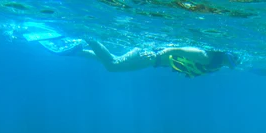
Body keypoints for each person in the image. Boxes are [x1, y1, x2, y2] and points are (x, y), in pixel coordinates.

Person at [82, 39, 239, 77]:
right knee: (113, 65)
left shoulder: (215, 63)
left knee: (113, 60)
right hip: (149, 54)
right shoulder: (205, 57)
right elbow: (177, 49)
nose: (227, 64)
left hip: (152, 59)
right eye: (229, 60)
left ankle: (78, 50)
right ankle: (88, 36)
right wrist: (156, 54)